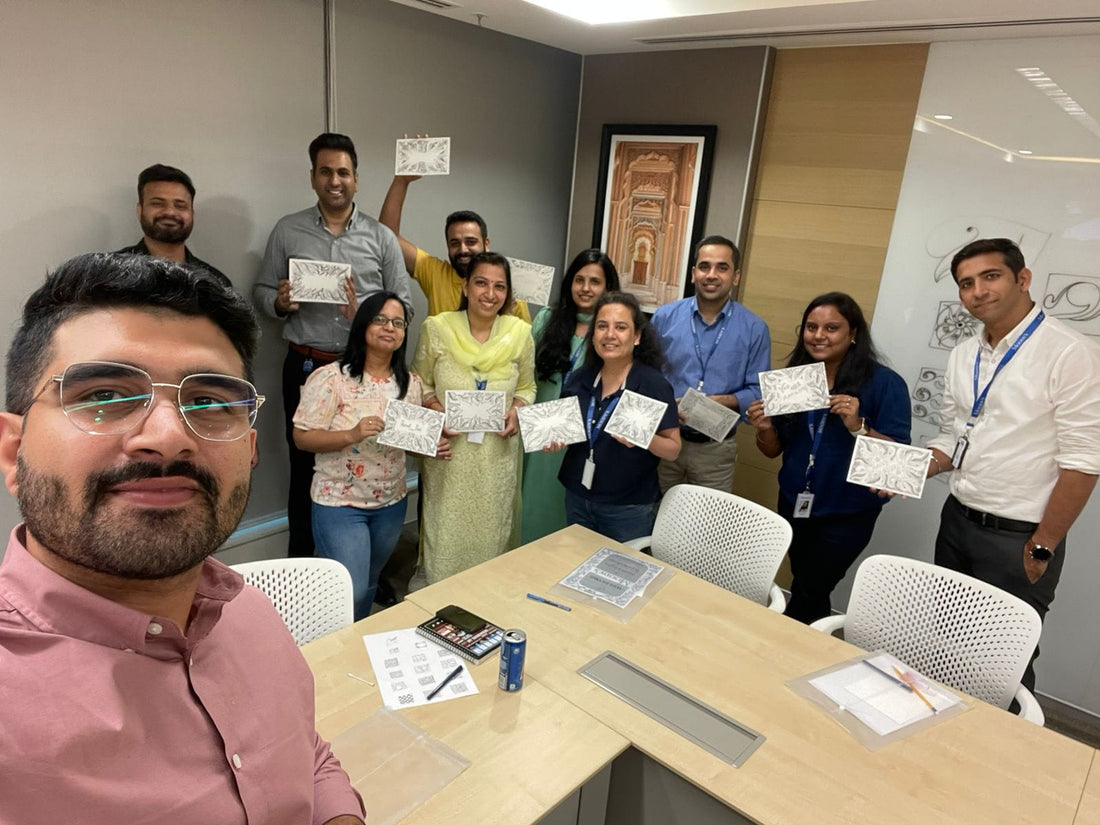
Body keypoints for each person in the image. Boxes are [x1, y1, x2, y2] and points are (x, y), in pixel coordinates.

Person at [0, 253, 363, 824]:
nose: (169, 438)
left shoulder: (249, 611)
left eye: (211, 404)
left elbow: (302, 753)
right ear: (11, 451)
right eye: (103, 395)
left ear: (249, 448)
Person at [926, 238, 1100, 690]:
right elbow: (953, 435)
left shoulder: (1069, 351)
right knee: (946, 645)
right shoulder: (965, 353)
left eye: (991, 276)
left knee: (1003, 661)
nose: (978, 291)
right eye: (967, 283)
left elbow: (1083, 463)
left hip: (1020, 538)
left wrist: (1043, 545)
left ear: (1022, 279)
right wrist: (900, 470)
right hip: (958, 521)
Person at [254, 133, 411, 558]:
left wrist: (367, 317)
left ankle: (360, 565)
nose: (335, 180)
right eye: (326, 172)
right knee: (306, 468)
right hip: (306, 366)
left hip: (366, 371)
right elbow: (262, 291)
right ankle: (305, 570)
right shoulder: (288, 230)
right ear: (313, 177)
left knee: (371, 461)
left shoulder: (381, 238)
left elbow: (406, 303)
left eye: (343, 172)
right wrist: (280, 301)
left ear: (357, 179)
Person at [746, 292, 910, 624]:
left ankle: (783, 640)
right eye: (811, 327)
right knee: (808, 584)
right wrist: (764, 428)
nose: (819, 336)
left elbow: (897, 464)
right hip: (794, 501)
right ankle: (813, 643)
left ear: (853, 334)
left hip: (846, 512)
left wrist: (858, 426)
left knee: (810, 588)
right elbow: (773, 450)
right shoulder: (795, 379)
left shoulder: (884, 384)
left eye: (831, 328)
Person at [294, 292, 447, 619]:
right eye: (380, 319)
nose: (389, 327)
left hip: (391, 502)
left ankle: (356, 643)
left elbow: (407, 441)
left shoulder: (410, 385)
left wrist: (429, 446)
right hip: (339, 502)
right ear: (363, 324)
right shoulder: (332, 378)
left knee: (369, 582)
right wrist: (351, 434)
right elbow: (302, 437)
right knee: (347, 589)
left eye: (398, 322)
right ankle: (327, 651)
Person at [412, 252, 535, 582]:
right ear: (465, 286)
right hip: (451, 456)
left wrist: (517, 410)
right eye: (481, 283)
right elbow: (419, 383)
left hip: (495, 456)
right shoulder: (437, 328)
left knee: (491, 540)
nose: (490, 294)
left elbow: (527, 387)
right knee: (446, 535)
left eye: (499, 287)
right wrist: (436, 408)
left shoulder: (520, 333)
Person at [558, 292, 681, 542]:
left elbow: (673, 449)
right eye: (602, 326)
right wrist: (556, 439)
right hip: (578, 496)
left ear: (636, 337)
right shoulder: (580, 378)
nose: (610, 334)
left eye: (621, 327)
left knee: (623, 577)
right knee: (576, 569)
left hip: (627, 507)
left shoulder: (652, 384)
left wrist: (643, 438)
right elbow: (570, 430)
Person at [651, 234, 770, 494]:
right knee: (656, 518)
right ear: (693, 273)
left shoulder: (754, 329)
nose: (712, 274)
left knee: (706, 527)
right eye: (704, 266)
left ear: (735, 276)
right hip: (665, 438)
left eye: (722, 267)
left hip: (716, 449)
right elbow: (646, 377)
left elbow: (759, 392)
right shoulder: (664, 318)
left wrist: (723, 401)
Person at [521, 249, 621, 543]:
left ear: (608, 288)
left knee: (566, 513)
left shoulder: (608, 331)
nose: (586, 288)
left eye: (595, 281)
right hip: (539, 431)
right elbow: (527, 371)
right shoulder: (548, 319)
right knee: (532, 503)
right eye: (579, 280)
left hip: (582, 435)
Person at [379, 172, 531, 321]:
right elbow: (388, 236)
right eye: (455, 243)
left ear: (486, 244)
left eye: (471, 242)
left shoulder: (507, 289)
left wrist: (506, 322)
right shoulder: (435, 273)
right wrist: (401, 180)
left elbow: (525, 343)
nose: (463, 250)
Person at [116, 163, 231, 286]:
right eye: (157, 203)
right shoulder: (110, 272)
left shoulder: (214, 282)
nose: (170, 212)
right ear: (140, 211)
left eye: (180, 205)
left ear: (192, 214)